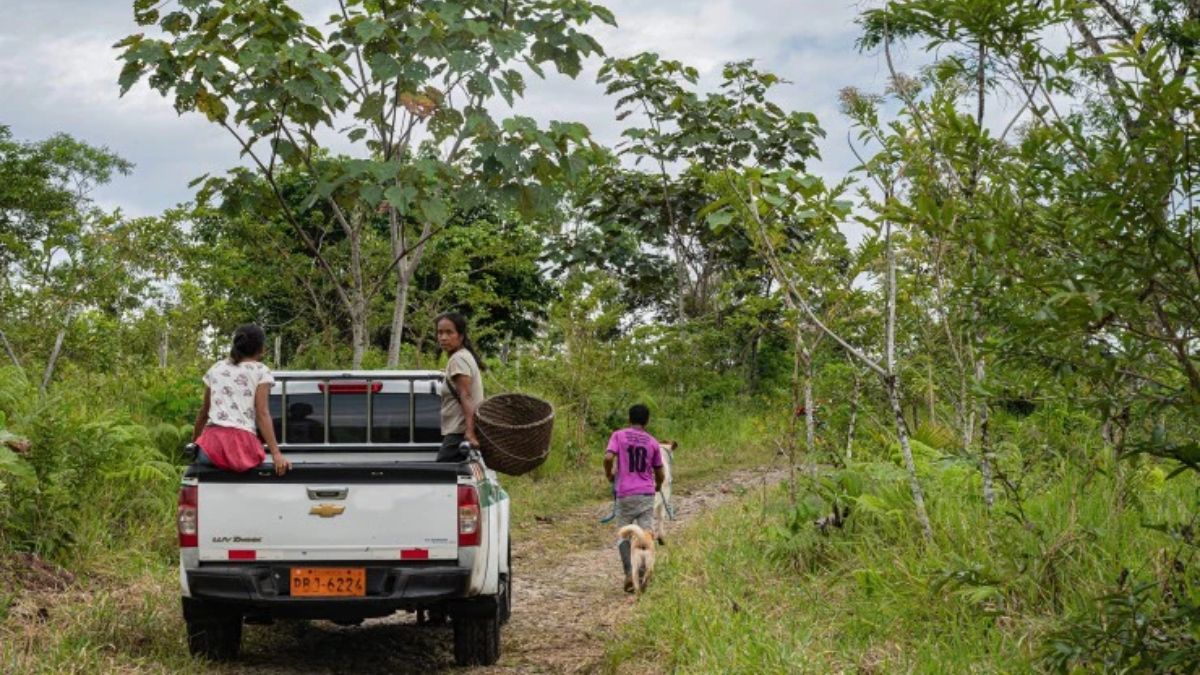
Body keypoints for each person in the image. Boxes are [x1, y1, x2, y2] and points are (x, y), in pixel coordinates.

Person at [191, 324, 291, 475]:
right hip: (242, 450)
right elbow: (262, 413)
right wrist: (276, 454)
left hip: (210, 449)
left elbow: (204, 412)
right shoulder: (261, 371)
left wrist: (194, 445)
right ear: (261, 348)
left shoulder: (217, 368)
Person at [604, 404, 664, 593]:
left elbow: (608, 457)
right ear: (647, 421)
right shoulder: (652, 442)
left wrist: (609, 474)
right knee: (646, 533)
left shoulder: (618, 436)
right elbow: (659, 471)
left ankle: (629, 571)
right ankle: (643, 574)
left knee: (624, 534)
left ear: (629, 419)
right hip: (646, 493)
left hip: (625, 493)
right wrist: (659, 486)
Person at [435, 312, 485, 463]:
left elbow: (466, 395)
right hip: (459, 432)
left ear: (461, 336)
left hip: (459, 433)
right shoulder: (462, 356)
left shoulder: (459, 359)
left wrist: (470, 432)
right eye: (440, 332)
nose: (443, 337)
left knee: (439, 479)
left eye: (449, 332)